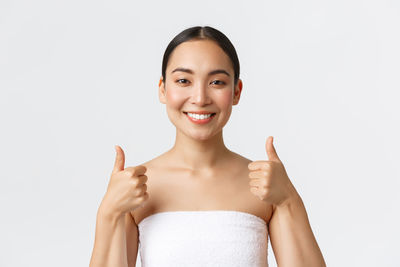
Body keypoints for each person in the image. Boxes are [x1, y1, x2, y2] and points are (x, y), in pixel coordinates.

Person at [89, 25, 326, 267]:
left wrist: (288, 199)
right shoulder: (137, 187)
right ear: (163, 89)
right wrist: (109, 212)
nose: (200, 98)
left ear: (236, 91)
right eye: (183, 80)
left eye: (217, 82)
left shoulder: (265, 186)